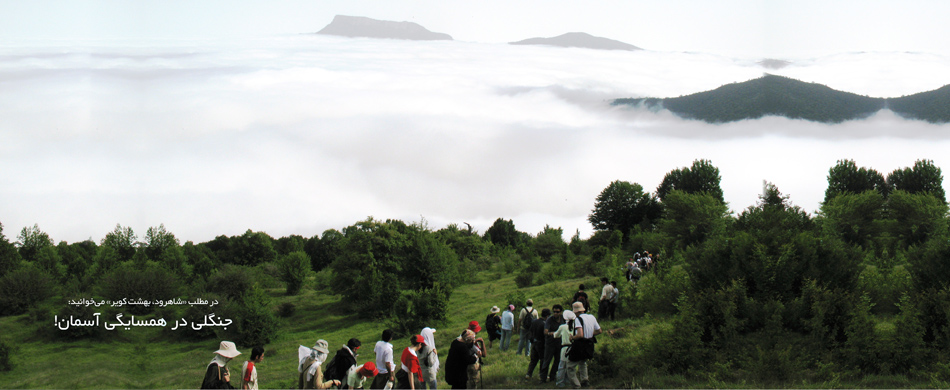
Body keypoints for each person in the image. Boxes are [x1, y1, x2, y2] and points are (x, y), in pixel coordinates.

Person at [567, 302, 602, 388]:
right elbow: (599, 331)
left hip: (580, 345)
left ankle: (576, 385)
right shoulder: (591, 317)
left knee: (570, 366)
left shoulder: (578, 319)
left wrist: (572, 337)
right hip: (589, 344)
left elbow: (580, 335)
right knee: (583, 362)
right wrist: (589, 334)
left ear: (575, 311)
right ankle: (585, 381)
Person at [540, 305, 564, 384]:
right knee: (547, 360)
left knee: (557, 361)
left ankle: (552, 376)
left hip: (559, 343)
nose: (555, 313)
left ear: (560, 312)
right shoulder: (550, 319)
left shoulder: (563, 319)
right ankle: (543, 378)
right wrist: (554, 333)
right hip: (550, 343)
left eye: (557, 312)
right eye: (554, 312)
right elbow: (545, 331)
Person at [525, 308, 549, 381]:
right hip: (541, 344)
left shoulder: (535, 322)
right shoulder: (545, 324)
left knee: (533, 360)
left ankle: (528, 374)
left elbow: (530, 332)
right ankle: (542, 375)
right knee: (542, 359)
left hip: (534, 343)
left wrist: (532, 340)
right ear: (547, 316)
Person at [553, 310, 575, 388]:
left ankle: (560, 382)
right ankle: (569, 381)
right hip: (573, 348)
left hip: (564, 348)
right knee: (570, 366)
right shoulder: (575, 326)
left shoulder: (562, 327)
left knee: (562, 367)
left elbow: (555, 335)